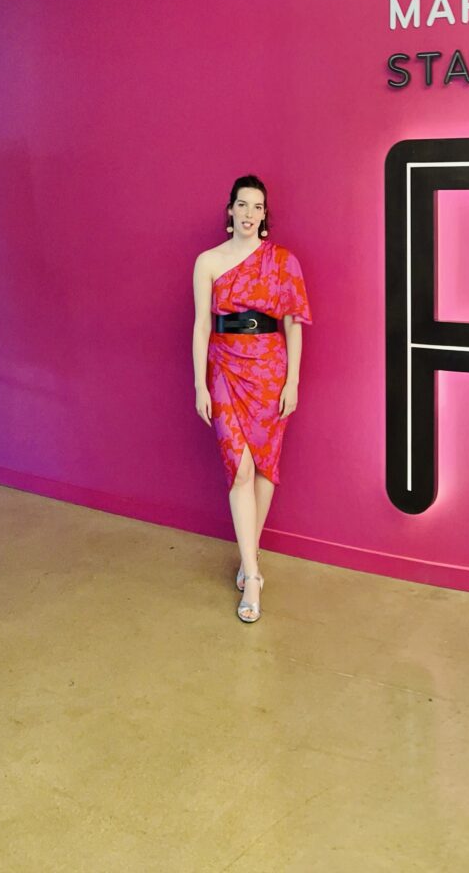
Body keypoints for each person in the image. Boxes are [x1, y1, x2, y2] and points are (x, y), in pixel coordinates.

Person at [193, 175, 311, 623]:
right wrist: (200, 384)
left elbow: (293, 324)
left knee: (264, 465)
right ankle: (254, 576)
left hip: (269, 368)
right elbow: (201, 326)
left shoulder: (282, 261)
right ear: (230, 210)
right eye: (242, 205)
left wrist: (292, 381)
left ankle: (249, 558)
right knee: (239, 468)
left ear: (265, 214)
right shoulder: (207, 261)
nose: (248, 213)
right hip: (224, 367)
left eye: (257, 207)